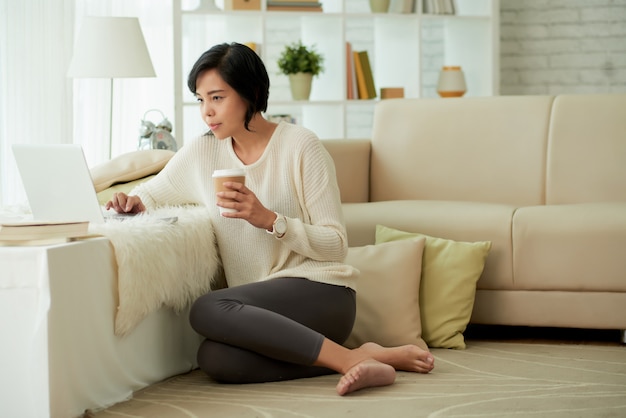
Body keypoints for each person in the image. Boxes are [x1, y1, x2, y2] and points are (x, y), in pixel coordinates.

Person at [106, 42, 434, 395]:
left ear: (252, 92)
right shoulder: (203, 151)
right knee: (215, 358)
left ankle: (350, 362)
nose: (207, 112)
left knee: (207, 309)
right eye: (200, 100)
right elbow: (155, 193)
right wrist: (132, 202)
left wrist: (269, 220)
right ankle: (359, 354)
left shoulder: (301, 146)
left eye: (217, 98)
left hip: (322, 295)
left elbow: (336, 245)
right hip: (261, 311)